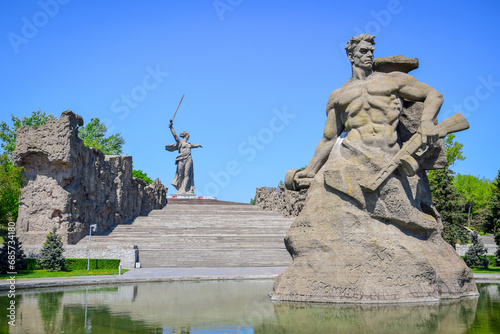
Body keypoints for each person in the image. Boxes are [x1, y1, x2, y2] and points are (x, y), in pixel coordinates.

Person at [165, 120, 202, 195]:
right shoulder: (180, 142)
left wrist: (198, 145)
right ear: (186, 136)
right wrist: (171, 127)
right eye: (188, 135)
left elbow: (195, 145)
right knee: (180, 174)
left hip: (189, 159)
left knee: (187, 174)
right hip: (181, 159)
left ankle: (184, 189)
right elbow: (175, 135)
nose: (189, 137)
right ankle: (180, 189)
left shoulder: (189, 144)